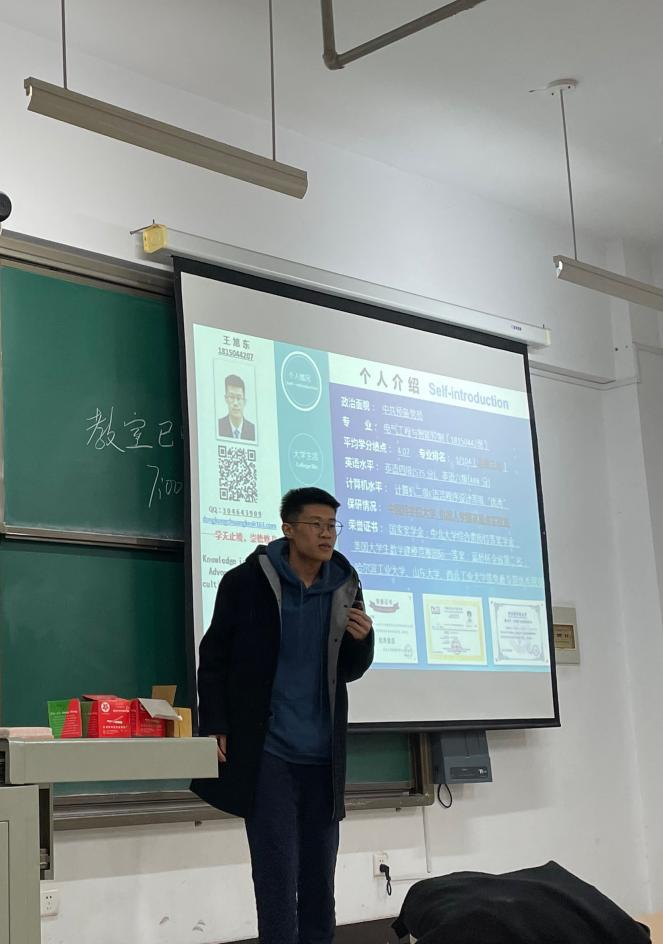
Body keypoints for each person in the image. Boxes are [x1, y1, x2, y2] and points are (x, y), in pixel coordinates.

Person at [191, 487, 374, 944]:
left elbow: (347, 670)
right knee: (276, 877)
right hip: (269, 752)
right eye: (316, 524)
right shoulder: (245, 582)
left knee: (319, 881)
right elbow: (214, 658)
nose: (327, 534)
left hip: (323, 756)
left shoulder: (346, 586)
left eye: (332, 525)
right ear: (288, 529)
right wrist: (214, 724)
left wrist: (363, 642)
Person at [218, 373, 256, 441]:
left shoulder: (253, 430)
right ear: (226, 399)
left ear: (244, 401)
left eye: (239, 398)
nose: (235, 403)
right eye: (231, 397)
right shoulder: (218, 426)